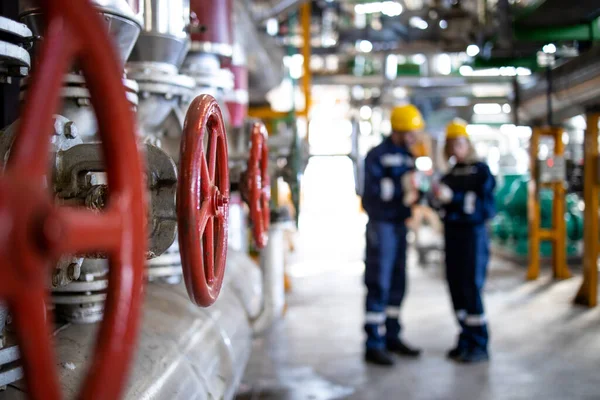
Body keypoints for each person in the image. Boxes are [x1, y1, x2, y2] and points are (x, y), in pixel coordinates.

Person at [361, 104, 424, 366]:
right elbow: (371, 195)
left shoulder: (408, 155)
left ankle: (392, 336)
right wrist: (397, 190)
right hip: (382, 225)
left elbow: (413, 187)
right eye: (410, 132)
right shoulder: (377, 155)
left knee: (398, 281)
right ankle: (373, 343)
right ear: (398, 130)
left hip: (400, 226)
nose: (413, 137)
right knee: (379, 281)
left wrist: (417, 193)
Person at [434, 119, 496, 363]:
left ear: (467, 144)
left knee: (471, 286)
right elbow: (440, 205)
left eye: (459, 143)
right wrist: (436, 197)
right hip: (453, 236)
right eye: (451, 145)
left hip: (473, 236)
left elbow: (486, 205)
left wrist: (457, 200)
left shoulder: (480, 171)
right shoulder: (449, 174)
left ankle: (479, 343)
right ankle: (465, 336)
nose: (455, 149)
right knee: (456, 287)